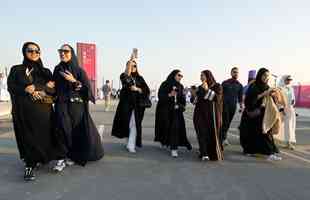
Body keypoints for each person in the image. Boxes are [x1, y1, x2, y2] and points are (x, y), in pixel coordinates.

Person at [7, 42, 66, 181]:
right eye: (30, 50)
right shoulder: (16, 70)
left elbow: (53, 89)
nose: (34, 53)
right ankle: (30, 164)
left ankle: (48, 158)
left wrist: (40, 89)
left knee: (45, 135)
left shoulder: (45, 72)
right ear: (24, 52)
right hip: (23, 111)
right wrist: (25, 89)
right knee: (26, 137)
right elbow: (11, 87)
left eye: (37, 51)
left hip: (42, 111)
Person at [53, 44, 104, 166]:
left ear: (72, 54)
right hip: (61, 105)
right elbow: (54, 87)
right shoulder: (57, 69)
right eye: (60, 51)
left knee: (76, 131)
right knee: (63, 129)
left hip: (76, 106)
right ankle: (64, 154)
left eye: (66, 51)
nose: (63, 53)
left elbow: (87, 90)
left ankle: (75, 155)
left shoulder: (79, 71)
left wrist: (74, 81)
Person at [239, 68, 281, 161]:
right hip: (253, 115)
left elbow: (271, 101)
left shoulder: (266, 86)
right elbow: (249, 101)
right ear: (259, 75)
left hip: (263, 114)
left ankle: (269, 152)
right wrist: (263, 94)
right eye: (264, 75)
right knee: (252, 134)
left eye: (267, 76)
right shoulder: (254, 86)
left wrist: (273, 95)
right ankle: (252, 151)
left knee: (265, 132)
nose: (266, 78)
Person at [111, 59, 150, 153]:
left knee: (135, 124)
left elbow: (147, 90)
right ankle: (129, 141)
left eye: (135, 66)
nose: (133, 67)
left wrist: (138, 89)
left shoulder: (140, 78)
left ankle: (131, 145)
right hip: (126, 105)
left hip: (137, 106)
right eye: (131, 66)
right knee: (127, 124)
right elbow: (126, 81)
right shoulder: (123, 76)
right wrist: (129, 64)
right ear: (127, 66)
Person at [154, 69, 192, 158]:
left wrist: (180, 106)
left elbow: (182, 99)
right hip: (165, 111)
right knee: (166, 128)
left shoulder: (180, 86)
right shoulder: (165, 84)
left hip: (176, 112)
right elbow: (160, 96)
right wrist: (169, 95)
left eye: (181, 76)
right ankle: (166, 142)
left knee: (175, 129)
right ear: (173, 75)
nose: (180, 77)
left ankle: (174, 148)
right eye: (179, 75)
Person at [193, 70, 224, 161]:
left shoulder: (217, 86)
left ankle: (210, 152)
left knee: (211, 134)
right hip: (200, 114)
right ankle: (204, 153)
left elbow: (217, 99)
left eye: (203, 75)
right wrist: (194, 95)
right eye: (200, 76)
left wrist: (207, 90)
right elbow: (195, 101)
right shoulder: (200, 87)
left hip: (212, 116)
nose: (201, 77)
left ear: (208, 76)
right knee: (201, 133)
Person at [221, 67, 243, 146]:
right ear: (231, 73)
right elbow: (220, 94)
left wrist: (241, 107)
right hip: (224, 106)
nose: (235, 73)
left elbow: (240, 98)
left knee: (228, 123)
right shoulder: (225, 83)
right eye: (234, 72)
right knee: (225, 122)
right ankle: (223, 138)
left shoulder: (240, 85)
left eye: (237, 72)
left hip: (233, 106)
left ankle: (222, 137)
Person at [278, 75, 296, 150]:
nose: (289, 81)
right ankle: (287, 142)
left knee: (291, 125)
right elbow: (279, 99)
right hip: (284, 109)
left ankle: (289, 142)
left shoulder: (291, 88)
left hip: (291, 109)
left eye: (290, 80)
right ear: (284, 80)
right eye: (287, 80)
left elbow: (293, 98)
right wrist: (281, 109)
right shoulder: (280, 89)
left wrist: (293, 102)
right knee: (284, 126)